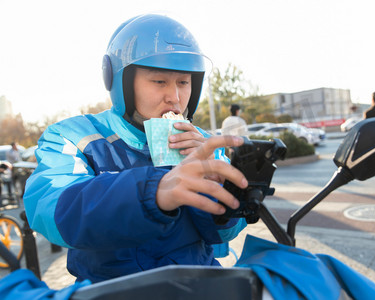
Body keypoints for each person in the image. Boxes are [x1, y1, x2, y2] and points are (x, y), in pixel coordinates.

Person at [23, 14, 249, 283]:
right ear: (121, 82)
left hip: (200, 283)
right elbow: (48, 208)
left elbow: (223, 236)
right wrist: (152, 192)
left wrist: (222, 193)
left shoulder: (203, 143)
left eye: (183, 82)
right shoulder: (75, 135)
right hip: (112, 288)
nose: (174, 97)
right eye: (159, 82)